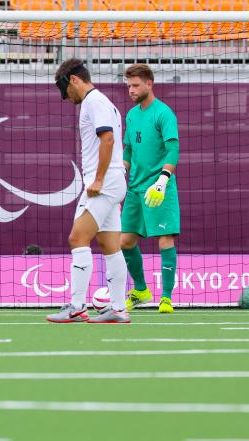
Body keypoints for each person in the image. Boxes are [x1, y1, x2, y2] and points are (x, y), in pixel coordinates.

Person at [46, 59, 130, 324]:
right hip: (112, 181)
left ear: (73, 80)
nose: (66, 98)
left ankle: (76, 306)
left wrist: (99, 179)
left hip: (102, 183)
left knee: (77, 238)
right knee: (109, 246)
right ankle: (118, 309)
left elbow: (107, 139)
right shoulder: (102, 102)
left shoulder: (94, 102)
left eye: (65, 90)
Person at [121, 64, 180, 314]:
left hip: (158, 188)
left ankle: (166, 298)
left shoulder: (164, 113)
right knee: (124, 241)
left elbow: (173, 149)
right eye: (129, 86)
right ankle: (141, 290)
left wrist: (163, 180)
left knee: (165, 240)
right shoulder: (132, 115)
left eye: (135, 85)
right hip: (134, 189)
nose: (131, 90)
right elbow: (128, 150)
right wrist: (119, 171)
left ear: (149, 84)